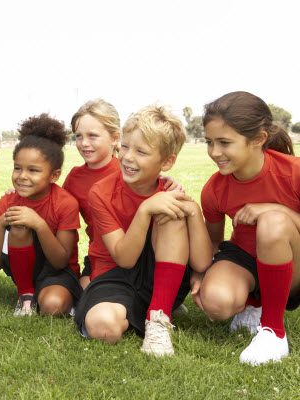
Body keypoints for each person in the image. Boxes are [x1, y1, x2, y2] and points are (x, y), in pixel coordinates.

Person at [74, 104, 212, 356]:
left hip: (158, 272)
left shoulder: (169, 194)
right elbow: (124, 259)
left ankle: (159, 317)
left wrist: (193, 210)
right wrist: (144, 209)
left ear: (167, 162)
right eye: (124, 146)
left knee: (169, 214)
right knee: (103, 327)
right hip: (115, 275)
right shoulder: (101, 192)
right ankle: (147, 307)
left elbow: (202, 263)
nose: (127, 157)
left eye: (142, 152)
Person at [197, 91, 300, 366]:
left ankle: (273, 331)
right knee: (217, 302)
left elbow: (279, 221)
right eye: (209, 142)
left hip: (294, 260)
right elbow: (214, 243)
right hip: (246, 258)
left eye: (224, 142)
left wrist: (278, 210)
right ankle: (255, 305)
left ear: (258, 139)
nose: (214, 152)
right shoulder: (214, 189)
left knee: (273, 222)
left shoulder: (294, 173)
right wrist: (200, 278)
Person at [63, 98, 182, 290]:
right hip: (102, 257)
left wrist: (171, 182)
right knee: (83, 293)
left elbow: (153, 182)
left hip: (143, 250)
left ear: (115, 138)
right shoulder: (74, 178)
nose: (84, 143)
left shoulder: (128, 170)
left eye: (92, 135)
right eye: (78, 136)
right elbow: (59, 209)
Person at [0, 113, 82, 317]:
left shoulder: (65, 203)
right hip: (24, 269)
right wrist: (2, 225)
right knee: (19, 224)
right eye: (17, 168)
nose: (22, 176)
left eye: (33, 170)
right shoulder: (8, 201)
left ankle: (62, 297)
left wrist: (39, 224)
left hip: (58, 272)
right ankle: (26, 295)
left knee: (52, 306)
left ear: (54, 175)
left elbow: (60, 262)